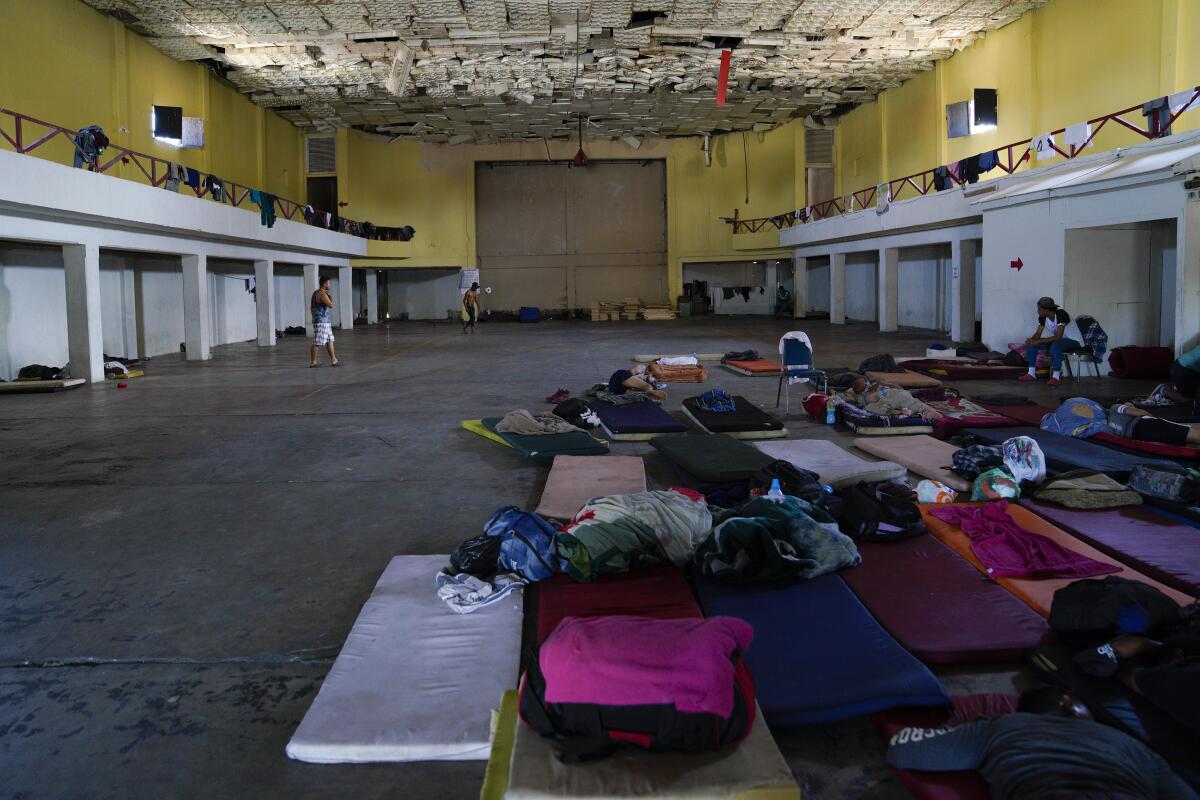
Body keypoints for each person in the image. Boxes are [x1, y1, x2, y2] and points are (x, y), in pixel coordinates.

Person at [886, 686, 1196, 799]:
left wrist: (969, 728)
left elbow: (903, 750)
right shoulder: (1132, 744)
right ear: (1069, 704)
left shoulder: (1002, 726)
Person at [1019, 297, 1084, 386]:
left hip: (1074, 341)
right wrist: (1032, 340)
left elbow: (1058, 336)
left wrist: (1037, 341)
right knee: (1032, 345)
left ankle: (1056, 377)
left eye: (1039, 309)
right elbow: (1038, 334)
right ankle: (1031, 373)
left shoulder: (1061, 314)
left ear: (1046, 310)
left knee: (1055, 345)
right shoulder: (1043, 317)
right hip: (1059, 341)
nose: (1037, 311)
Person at [842, 373, 943, 421]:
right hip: (885, 403)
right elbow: (845, 396)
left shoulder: (880, 388)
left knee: (908, 401)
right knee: (869, 408)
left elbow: (890, 387)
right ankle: (900, 412)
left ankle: (930, 411)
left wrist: (877, 390)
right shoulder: (856, 394)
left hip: (894, 395)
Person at [309, 277, 339, 368]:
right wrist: (330, 298)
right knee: (317, 342)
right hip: (321, 321)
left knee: (329, 340)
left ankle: (334, 360)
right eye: (329, 283)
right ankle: (313, 362)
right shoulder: (321, 293)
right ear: (324, 284)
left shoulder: (316, 292)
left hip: (324, 321)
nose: (330, 285)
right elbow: (330, 305)